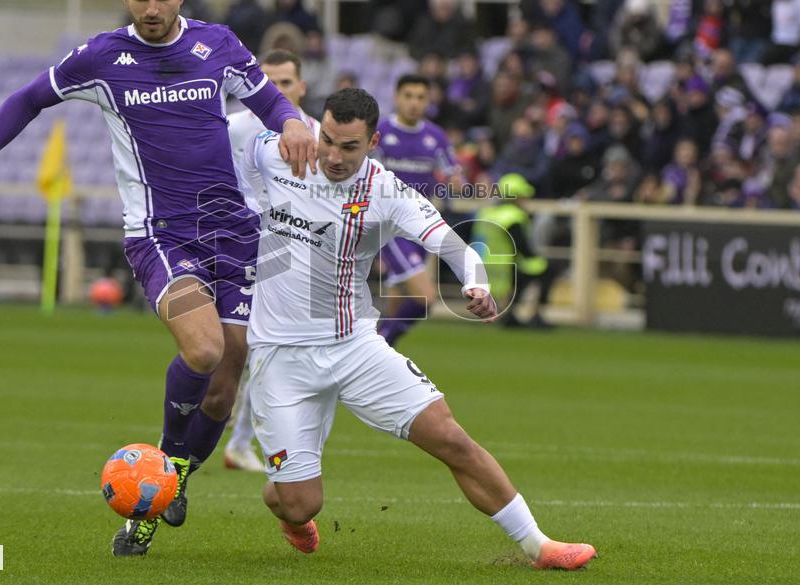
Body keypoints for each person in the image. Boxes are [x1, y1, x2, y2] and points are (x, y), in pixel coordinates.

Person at [0, 0, 317, 557]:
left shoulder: (218, 44)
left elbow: (270, 101)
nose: (153, 9)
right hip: (161, 235)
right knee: (205, 346)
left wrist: (293, 121)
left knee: (231, 368)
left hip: (238, 233)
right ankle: (162, 463)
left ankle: (171, 483)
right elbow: (27, 99)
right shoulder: (100, 58)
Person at [237, 88, 596, 570]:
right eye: (329, 141)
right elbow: (209, 134)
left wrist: (476, 284)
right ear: (318, 129)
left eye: (350, 147)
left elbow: (457, 248)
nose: (335, 156)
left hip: (354, 346)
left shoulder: (386, 191)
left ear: (373, 142)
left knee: (449, 436)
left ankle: (539, 546)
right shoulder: (280, 152)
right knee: (301, 503)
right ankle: (288, 502)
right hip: (280, 357)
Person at [223, 49, 320, 473]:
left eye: (285, 82)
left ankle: (246, 441)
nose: (276, 91)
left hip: (303, 251)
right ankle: (235, 439)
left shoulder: (319, 133)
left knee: (281, 348)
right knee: (243, 347)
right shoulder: (232, 127)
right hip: (245, 243)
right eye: (268, 82)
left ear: (302, 87)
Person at [372, 75, 461, 346]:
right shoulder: (381, 133)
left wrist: (457, 182)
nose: (414, 103)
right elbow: (367, 179)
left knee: (396, 305)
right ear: (396, 98)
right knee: (424, 298)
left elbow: (454, 176)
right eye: (408, 96)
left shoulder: (435, 137)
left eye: (420, 97)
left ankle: (378, 359)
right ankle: (378, 348)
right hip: (391, 228)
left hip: (421, 227)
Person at [475, 174, 557, 329]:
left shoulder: (487, 212)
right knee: (548, 269)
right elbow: (522, 247)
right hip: (505, 267)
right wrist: (539, 258)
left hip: (483, 265)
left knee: (527, 271)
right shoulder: (512, 215)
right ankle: (535, 314)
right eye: (523, 196)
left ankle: (508, 313)